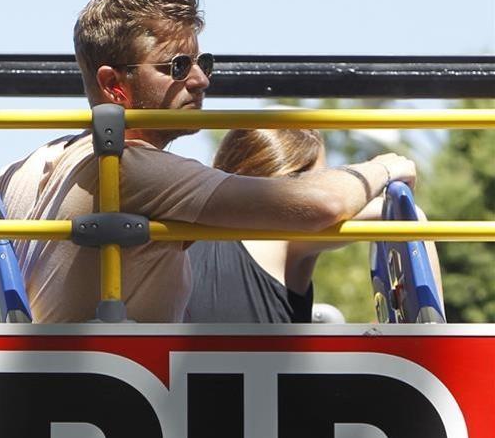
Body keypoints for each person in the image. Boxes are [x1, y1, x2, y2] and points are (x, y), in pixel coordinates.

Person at [0, 0, 417, 323]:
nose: (201, 79)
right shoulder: (132, 167)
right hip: (122, 410)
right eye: (177, 65)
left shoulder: (46, 160)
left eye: (202, 60)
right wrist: (384, 167)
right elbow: (322, 204)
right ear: (115, 86)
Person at [185, 129, 443, 322]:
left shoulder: (184, 227)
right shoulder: (279, 233)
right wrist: (384, 169)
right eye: (325, 175)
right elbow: (407, 218)